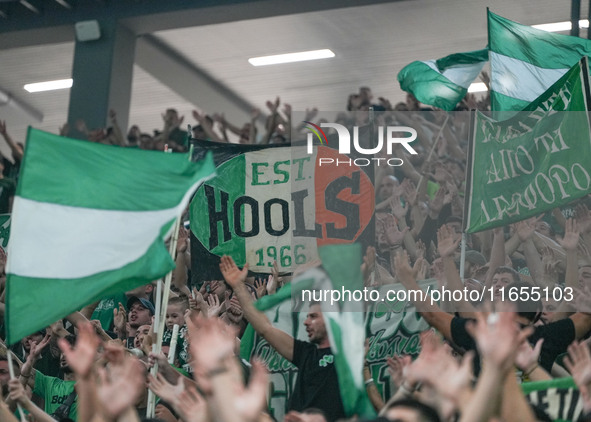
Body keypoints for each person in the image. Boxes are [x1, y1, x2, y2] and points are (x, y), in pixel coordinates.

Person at [219, 255, 345, 421]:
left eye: (313, 317)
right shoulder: (305, 353)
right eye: (307, 316)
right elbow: (264, 328)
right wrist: (238, 286)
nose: (306, 322)